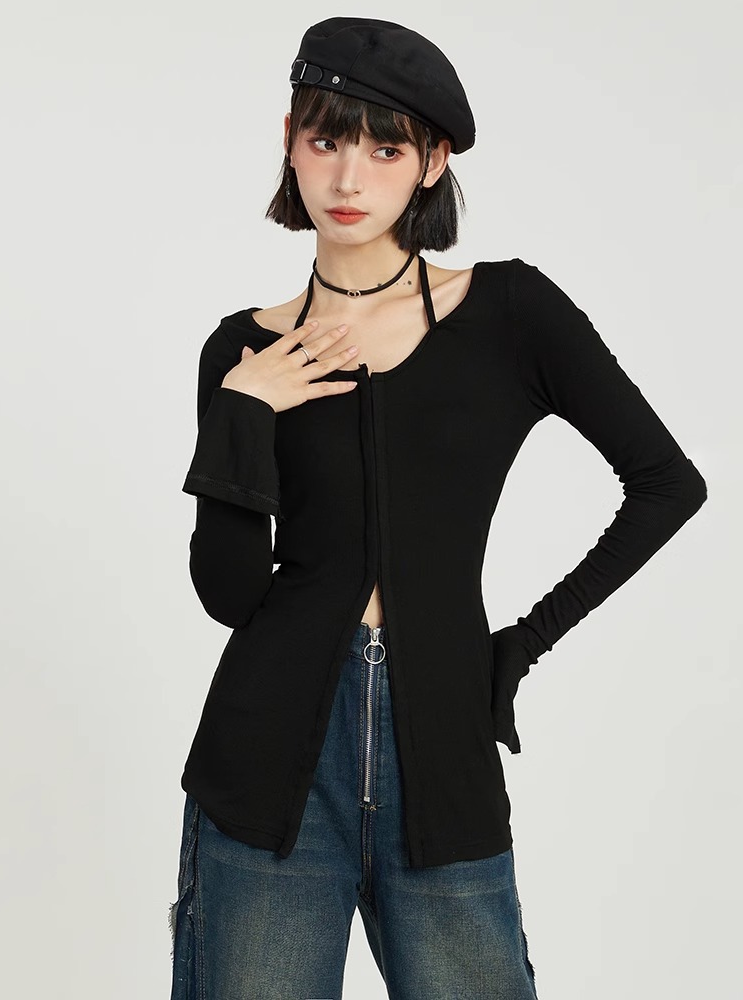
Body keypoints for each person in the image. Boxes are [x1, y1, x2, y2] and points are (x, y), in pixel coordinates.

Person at [168, 16, 707, 1000]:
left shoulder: (511, 312)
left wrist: (519, 645)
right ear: (289, 140)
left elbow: (669, 482)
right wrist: (243, 412)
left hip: (444, 753)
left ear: (432, 162)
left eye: (385, 149)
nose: (348, 178)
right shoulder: (242, 351)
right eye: (326, 140)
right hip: (266, 766)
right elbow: (231, 595)